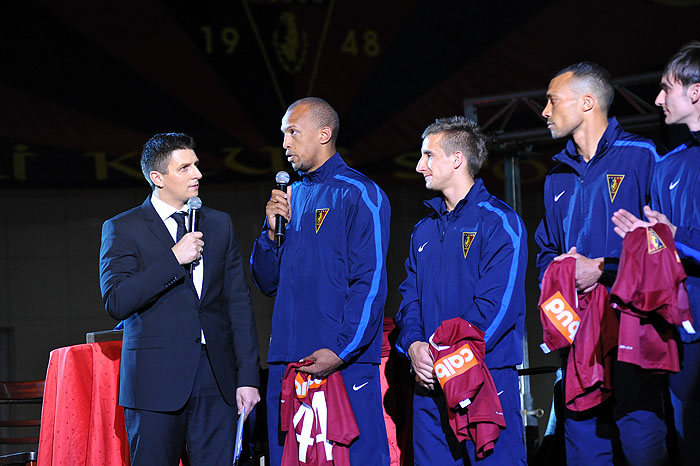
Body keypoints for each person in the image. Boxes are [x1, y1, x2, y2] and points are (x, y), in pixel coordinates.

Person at [99, 133, 260, 465]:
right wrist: (174, 259)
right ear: (157, 178)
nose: (197, 174)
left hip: (216, 378)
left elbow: (239, 304)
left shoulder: (219, 224)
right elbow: (117, 300)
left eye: (196, 165)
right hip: (154, 382)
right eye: (184, 168)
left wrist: (247, 378)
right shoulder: (123, 228)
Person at [534, 62, 665, 466]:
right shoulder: (556, 175)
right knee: (583, 444)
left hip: (632, 328)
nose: (544, 111)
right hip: (578, 338)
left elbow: (666, 243)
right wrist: (560, 276)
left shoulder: (642, 156)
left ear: (587, 102)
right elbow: (545, 251)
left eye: (552, 101)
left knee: (641, 440)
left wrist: (603, 268)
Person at [250, 97, 391, 465]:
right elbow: (266, 281)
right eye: (284, 134)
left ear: (324, 134)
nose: (285, 143)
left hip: (340, 360)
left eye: (293, 133)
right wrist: (269, 234)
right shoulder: (290, 196)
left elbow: (371, 281)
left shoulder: (361, 193)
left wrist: (342, 351)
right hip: (287, 362)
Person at [394, 116, 528, 465]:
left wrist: (446, 357)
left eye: (428, 155)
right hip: (429, 384)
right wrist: (413, 345)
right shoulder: (423, 230)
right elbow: (409, 299)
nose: (420, 166)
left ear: (457, 159)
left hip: (484, 378)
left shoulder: (500, 222)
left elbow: (498, 306)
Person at [612, 41, 700, 466]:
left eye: (667, 88)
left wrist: (672, 234)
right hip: (681, 330)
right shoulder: (668, 167)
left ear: (695, 92)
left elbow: (676, 237)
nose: (658, 99)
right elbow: (663, 248)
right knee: (687, 440)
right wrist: (647, 239)